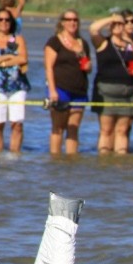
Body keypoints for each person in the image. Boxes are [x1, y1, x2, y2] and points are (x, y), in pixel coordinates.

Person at [89, 13, 133, 154]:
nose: (118, 26)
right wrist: (112, 18)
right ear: (110, 27)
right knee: (106, 130)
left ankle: (120, 159)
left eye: (121, 24)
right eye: (115, 24)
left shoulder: (129, 45)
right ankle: (105, 160)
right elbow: (93, 29)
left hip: (127, 92)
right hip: (107, 91)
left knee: (122, 130)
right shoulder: (103, 42)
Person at [43, 9, 91, 155]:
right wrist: (52, 91)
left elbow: (87, 67)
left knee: (73, 127)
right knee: (58, 127)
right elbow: (49, 67)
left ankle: (71, 159)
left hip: (79, 90)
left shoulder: (83, 43)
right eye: (69, 19)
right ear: (62, 22)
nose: (72, 22)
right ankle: (56, 159)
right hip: (60, 89)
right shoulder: (54, 41)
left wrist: (89, 67)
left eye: (75, 20)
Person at [0, 8, 28, 152]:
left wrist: (1, 62)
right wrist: (9, 57)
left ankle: (15, 154)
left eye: (7, 19)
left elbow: (23, 58)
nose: (4, 22)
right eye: (0, 19)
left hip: (17, 86)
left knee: (17, 124)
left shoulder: (18, 38)